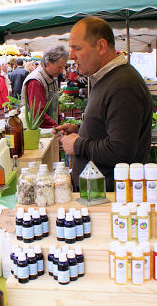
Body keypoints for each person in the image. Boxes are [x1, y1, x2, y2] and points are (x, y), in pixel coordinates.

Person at [54, 17, 152, 191]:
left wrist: (78, 145)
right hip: (97, 196)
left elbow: (121, 150)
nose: (71, 55)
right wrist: (82, 130)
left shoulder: (124, 85)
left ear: (101, 46)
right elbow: (113, 130)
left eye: (77, 48)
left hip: (109, 201)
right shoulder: (109, 79)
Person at [21, 45, 68, 128]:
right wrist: (57, 127)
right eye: (60, 67)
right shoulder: (36, 82)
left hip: (50, 129)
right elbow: (38, 114)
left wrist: (61, 121)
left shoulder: (52, 77)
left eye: (63, 67)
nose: (62, 71)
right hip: (39, 132)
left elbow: (53, 104)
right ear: (48, 63)